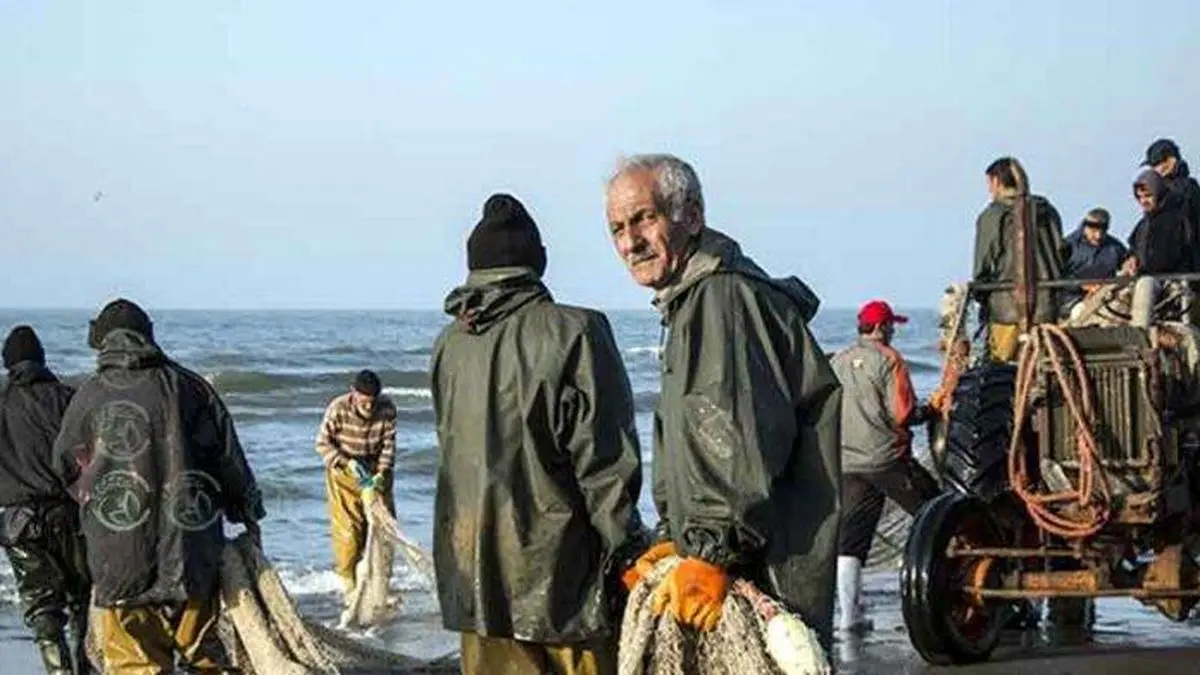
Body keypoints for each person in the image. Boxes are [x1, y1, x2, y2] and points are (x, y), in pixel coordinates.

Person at [604, 153, 843, 649]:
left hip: (763, 577)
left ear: (690, 215)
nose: (631, 242)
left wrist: (712, 553)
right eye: (618, 229)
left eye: (644, 218)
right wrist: (673, 536)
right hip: (746, 564)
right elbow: (699, 445)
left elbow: (738, 443)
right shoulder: (695, 302)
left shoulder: (722, 302)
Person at [431, 193, 649, 675]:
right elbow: (605, 462)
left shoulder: (448, 345)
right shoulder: (577, 331)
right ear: (536, 262)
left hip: (473, 583)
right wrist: (629, 551)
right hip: (564, 583)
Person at [51, 298, 265, 673]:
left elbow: (65, 466)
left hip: (118, 559)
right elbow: (229, 460)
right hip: (192, 552)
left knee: (133, 663)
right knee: (204, 657)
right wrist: (247, 511)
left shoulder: (90, 396)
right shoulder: (192, 388)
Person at [829, 301, 939, 634]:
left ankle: (849, 617)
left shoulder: (838, 361)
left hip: (848, 462)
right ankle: (938, 599)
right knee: (936, 513)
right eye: (890, 326)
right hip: (887, 460)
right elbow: (903, 414)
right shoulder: (891, 360)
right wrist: (931, 409)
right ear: (879, 328)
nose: (893, 331)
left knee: (852, 541)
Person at [0, 326, 92, 674]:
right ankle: (85, 667)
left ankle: (58, 671)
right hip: (70, 517)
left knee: (42, 609)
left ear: (7, 363)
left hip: (19, 523)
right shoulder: (69, 399)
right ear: (41, 359)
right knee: (83, 599)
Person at [972, 157, 1069, 362]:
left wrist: (981, 294)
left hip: (1005, 310)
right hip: (1047, 307)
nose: (990, 190)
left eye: (989, 184)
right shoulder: (1048, 211)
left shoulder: (992, 216)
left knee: (1003, 371)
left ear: (996, 181)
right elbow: (1061, 253)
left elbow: (983, 263)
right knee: (1044, 366)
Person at [315, 369, 397, 600]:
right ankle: (348, 584)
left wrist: (380, 475)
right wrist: (346, 463)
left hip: (375, 472)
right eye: (364, 401)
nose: (369, 407)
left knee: (382, 530)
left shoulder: (387, 409)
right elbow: (322, 444)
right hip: (344, 473)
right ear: (353, 393)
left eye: (372, 402)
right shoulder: (338, 408)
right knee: (350, 532)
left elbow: (388, 448)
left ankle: (380, 584)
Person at [1143, 138, 1200, 267]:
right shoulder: (1166, 187)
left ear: (1171, 161)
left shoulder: (1186, 189)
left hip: (1182, 264)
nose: (1154, 169)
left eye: (1156, 164)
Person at [1124, 169, 1191, 277]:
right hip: (1143, 276)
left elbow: (1166, 259)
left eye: (1148, 196)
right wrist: (1131, 259)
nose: (1143, 201)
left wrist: (1141, 269)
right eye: (1140, 197)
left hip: (1169, 279)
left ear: (1158, 193)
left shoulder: (1174, 220)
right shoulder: (1143, 224)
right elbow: (1133, 249)